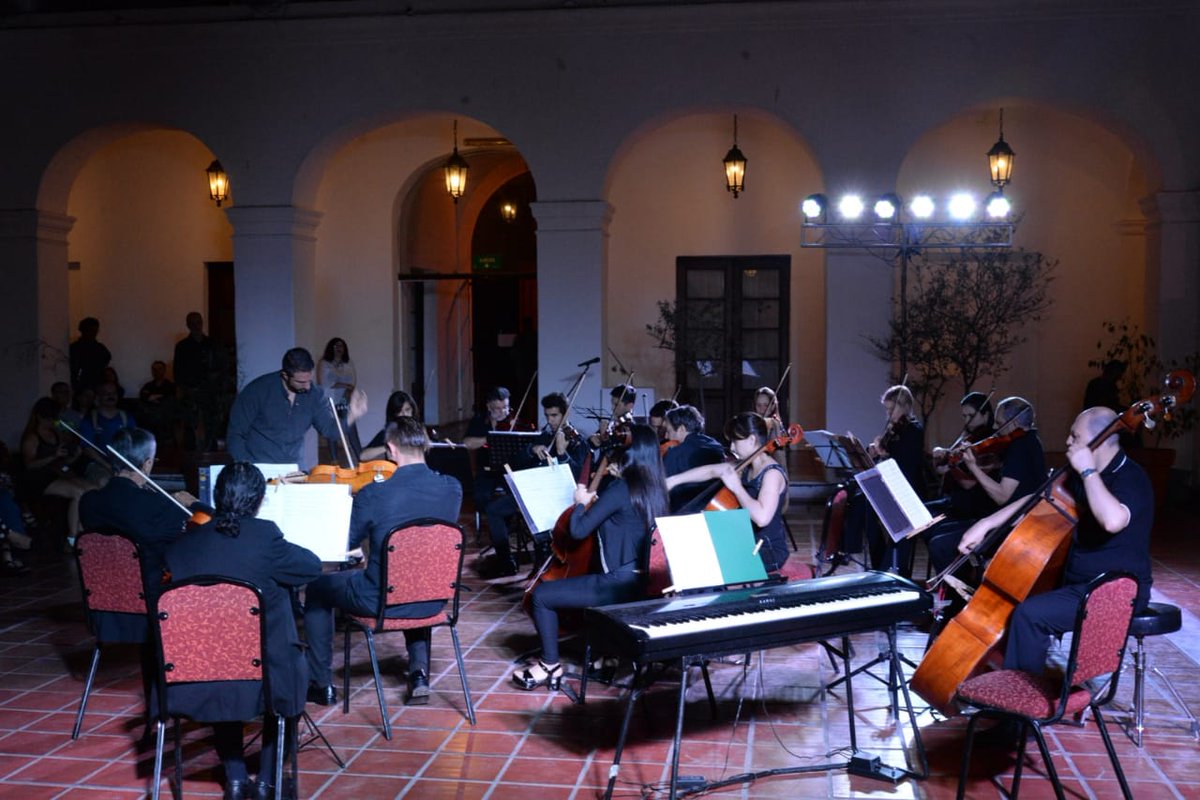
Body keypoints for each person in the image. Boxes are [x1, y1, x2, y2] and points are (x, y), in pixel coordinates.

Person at [165, 463, 321, 800]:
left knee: (225, 679)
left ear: (217, 497)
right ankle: (266, 782)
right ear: (259, 500)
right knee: (290, 663)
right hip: (265, 671)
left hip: (199, 669)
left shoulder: (182, 545)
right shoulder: (265, 537)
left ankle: (235, 780)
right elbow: (310, 566)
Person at [956, 407, 1152, 674]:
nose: (1068, 442)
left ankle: (1020, 703)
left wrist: (1087, 471)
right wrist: (987, 524)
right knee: (1015, 591)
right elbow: (1037, 499)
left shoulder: (1131, 477)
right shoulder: (1079, 474)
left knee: (1030, 615)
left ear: (1102, 440)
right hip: (1079, 582)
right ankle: (998, 675)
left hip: (1115, 591)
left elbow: (1113, 520)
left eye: (1075, 436)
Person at [303, 417, 462, 707]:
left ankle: (321, 684)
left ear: (390, 449)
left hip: (379, 602)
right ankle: (419, 674)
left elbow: (345, 542)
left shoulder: (375, 493)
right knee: (415, 574)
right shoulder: (453, 488)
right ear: (425, 447)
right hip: (434, 600)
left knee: (317, 588)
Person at [513, 424, 668, 691]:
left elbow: (578, 529)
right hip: (645, 584)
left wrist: (581, 501)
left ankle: (550, 664)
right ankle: (605, 657)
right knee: (587, 582)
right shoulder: (656, 489)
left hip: (617, 586)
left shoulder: (621, 489)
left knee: (541, 596)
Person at [924, 396, 1046, 577]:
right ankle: (958, 588)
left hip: (1013, 528)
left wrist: (973, 467)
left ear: (1013, 423)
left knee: (940, 544)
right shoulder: (1029, 441)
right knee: (939, 531)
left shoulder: (1020, 448)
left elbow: (1002, 495)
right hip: (1008, 520)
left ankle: (957, 598)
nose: (995, 428)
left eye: (999, 423)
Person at [79, 428, 201, 600]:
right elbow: (196, 533)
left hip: (104, 597)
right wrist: (188, 506)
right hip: (150, 597)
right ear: (147, 464)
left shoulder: (88, 502)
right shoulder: (160, 506)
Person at [480, 392, 589, 578]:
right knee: (494, 509)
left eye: (554, 416)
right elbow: (516, 463)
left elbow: (578, 476)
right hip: (537, 493)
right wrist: (532, 449)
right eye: (547, 416)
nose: (550, 420)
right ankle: (506, 561)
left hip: (562, 497)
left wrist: (562, 454)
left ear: (566, 415)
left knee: (539, 515)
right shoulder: (545, 436)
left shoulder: (578, 440)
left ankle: (544, 559)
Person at [666, 413, 790, 572]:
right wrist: (673, 481)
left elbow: (762, 518)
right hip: (744, 541)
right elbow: (711, 471)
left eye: (735, 441)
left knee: (704, 565)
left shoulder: (772, 474)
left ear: (752, 440)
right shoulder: (745, 465)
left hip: (766, 549)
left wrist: (737, 487)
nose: (731, 447)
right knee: (692, 551)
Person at [226, 347, 366, 465]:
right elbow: (235, 434)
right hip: (259, 466)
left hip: (293, 469)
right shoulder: (257, 390)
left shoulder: (315, 395)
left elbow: (330, 431)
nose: (307, 387)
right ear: (285, 375)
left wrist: (352, 415)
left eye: (309, 380)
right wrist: (245, 466)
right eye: (300, 382)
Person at [19, 397, 93, 542]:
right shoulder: (32, 437)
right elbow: (29, 465)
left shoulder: (55, 433)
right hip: (37, 479)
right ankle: (72, 539)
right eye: (50, 418)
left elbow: (62, 462)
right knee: (78, 493)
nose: (53, 421)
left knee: (91, 488)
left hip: (56, 473)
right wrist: (53, 456)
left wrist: (74, 456)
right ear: (40, 416)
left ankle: (83, 530)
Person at [660, 404, 726, 511]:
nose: (666, 436)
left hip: (684, 514)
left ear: (681, 429)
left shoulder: (676, 453)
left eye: (668, 431)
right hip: (715, 509)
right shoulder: (715, 445)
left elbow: (664, 489)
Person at [173, 311, 223, 451]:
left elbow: (219, 367)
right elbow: (178, 371)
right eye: (193, 323)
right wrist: (184, 389)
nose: (196, 326)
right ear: (188, 325)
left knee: (210, 425)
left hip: (209, 392)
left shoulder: (212, 344)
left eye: (198, 322)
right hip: (191, 392)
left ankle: (209, 452)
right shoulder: (182, 346)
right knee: (191, 426)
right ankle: (192, 453)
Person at [316, 337, 361, 461]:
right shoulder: (324, 363)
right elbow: (325, 383)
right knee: (333, 431)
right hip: (330, 401)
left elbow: (353, 380)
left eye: (341, 346)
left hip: (345, 400)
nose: (339, 348)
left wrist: (348, 389)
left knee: (351, 429)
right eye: (336, 346)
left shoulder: (348, 363)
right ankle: (334, 461)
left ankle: (360, 459)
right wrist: (344, 385)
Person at [359, 390, 419, 462]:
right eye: (399, 411)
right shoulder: (388, 433)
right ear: (393, 414)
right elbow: (362, 456)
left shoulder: (419, 432)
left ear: (413, 410)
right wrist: (388, 447)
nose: (404, 414)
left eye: (407, 410)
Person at [137, 360, 176, 444]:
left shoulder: (170, 386)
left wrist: (152, 398)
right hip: (150, 416)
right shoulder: (148, 385)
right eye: (154, 369)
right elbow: (142, 396)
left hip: (164, 418)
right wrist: (150, 398)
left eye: (159, 369)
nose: (156, 371)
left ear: (164, 370)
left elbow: (170, 400)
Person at [69, 317, 111, 393]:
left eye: (95, 331)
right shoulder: (75, 348)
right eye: (90, 330)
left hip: (95, 384)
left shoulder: (100, 348)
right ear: (82, 330)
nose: (93, 334)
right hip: (80, 385)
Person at [589, 384, 637, 448]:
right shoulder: (612, 425)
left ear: (630, 406)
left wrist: (604, 438)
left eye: (616, 404)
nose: (612, 408)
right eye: (612, 403)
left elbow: (618, 453)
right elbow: (591, 446)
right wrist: (593, 440)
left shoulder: (632, 429)